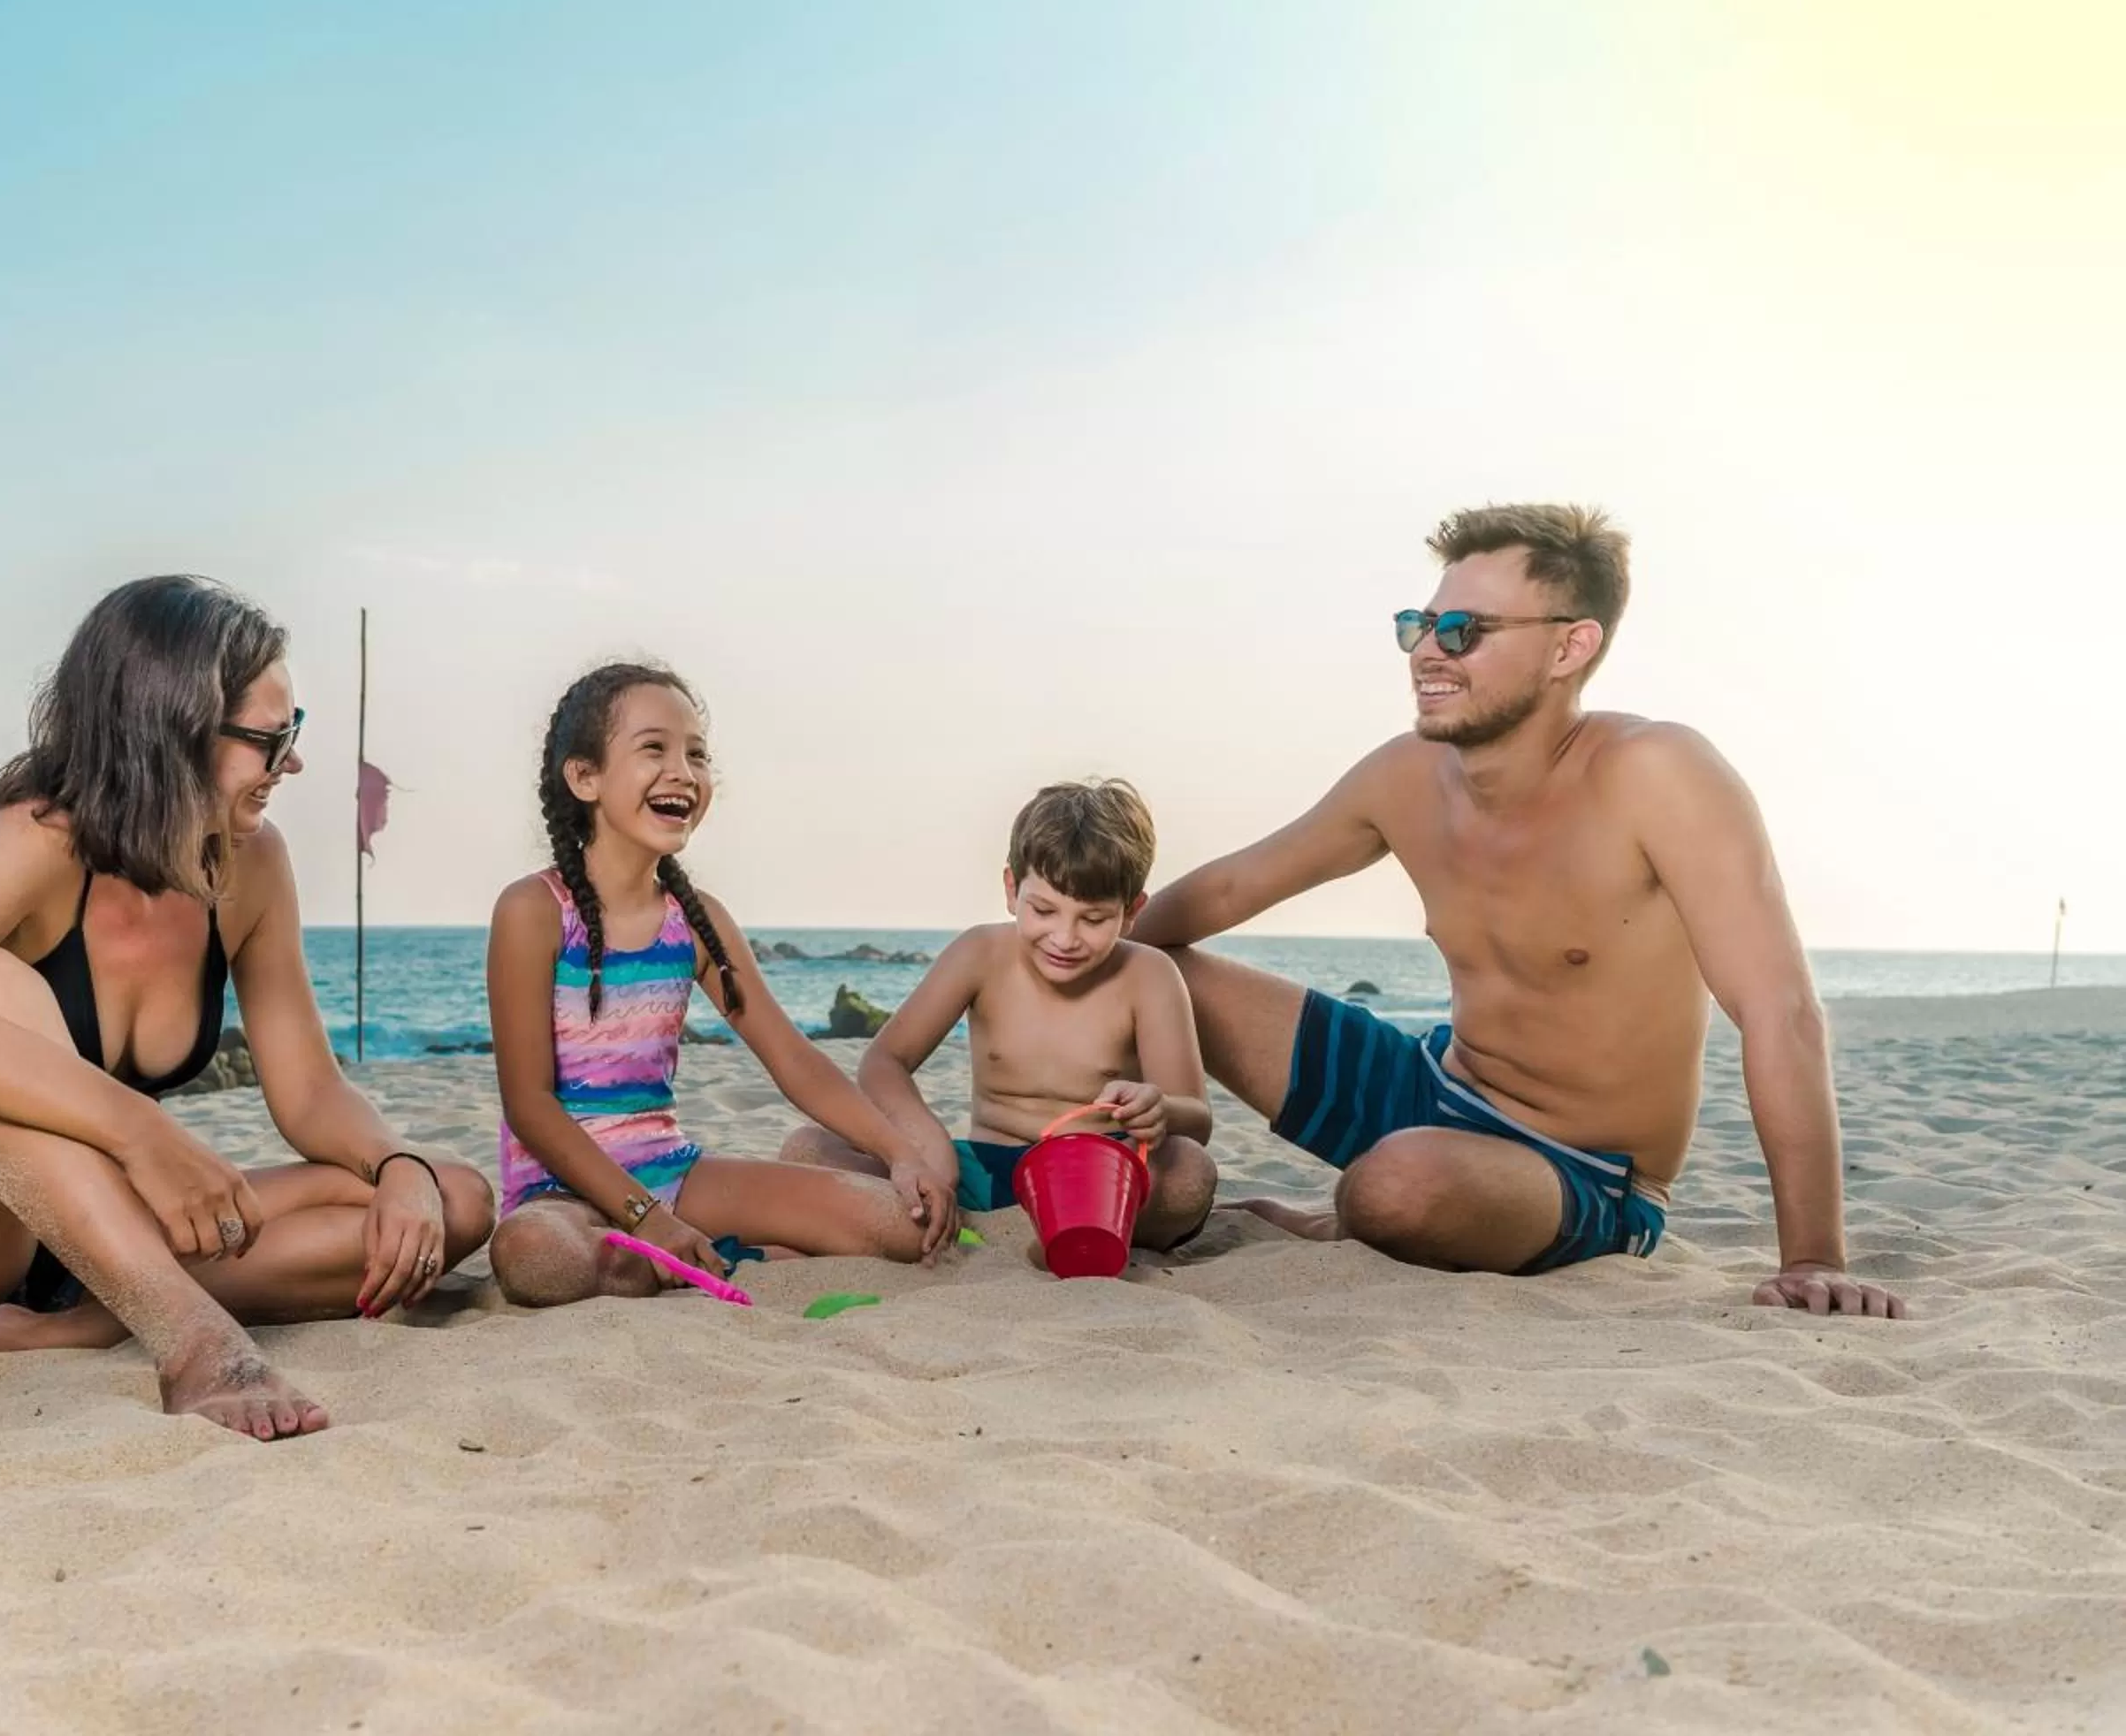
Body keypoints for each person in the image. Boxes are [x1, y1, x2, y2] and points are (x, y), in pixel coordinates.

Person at [1132, 504, 1901, 1317]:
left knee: (1394, 1189)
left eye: (1464, 631)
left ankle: (1347, 1220)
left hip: (1581, 1169)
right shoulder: (1405, 775)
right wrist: (1052, 960)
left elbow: (1781, 1011)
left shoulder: (1657, 774)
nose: (1428, 651)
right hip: (1433, 1085)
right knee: (1158, 969)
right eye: (1419, 626)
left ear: (1570, 646)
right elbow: (1224, 892)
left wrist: (1813, 1256)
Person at [0, 575, 498, 1440]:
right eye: (272, 740)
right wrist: (142, 1131)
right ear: (174, 732)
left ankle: (73, 1325)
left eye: (294, 733)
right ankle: (193, 1342)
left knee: (448, 1198)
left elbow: (310, 1094)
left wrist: (396, 1166)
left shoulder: (251, 865)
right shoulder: (33, 838)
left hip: (78, 1245)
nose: (294, 764)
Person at [483, 662, 956, 1305]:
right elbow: (529, 1106)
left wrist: (898, 1152)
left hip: (674, 1173)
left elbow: (791, 1058)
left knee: (902, 1227)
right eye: (654, 748)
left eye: (697, 755)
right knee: (535, 1257)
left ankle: (668, 1257)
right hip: (560, 1193)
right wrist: (644, 1215)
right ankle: (677, 1252)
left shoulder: (697, 922)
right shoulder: (533, 910)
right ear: (584, 776)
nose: (684, 771)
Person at [781, 780, 1218, 1256]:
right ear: (1012, 890)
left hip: (1100, 1182)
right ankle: (998, 1228)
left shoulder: (1149, 975)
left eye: (1093, 919)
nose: (1065, 937)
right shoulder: (980, 953)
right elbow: (884, 1061)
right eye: (1044, 910)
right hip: (985, 1174)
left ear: (1132, 911)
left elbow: (1195, 1121)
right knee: (807, 1148)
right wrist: (925, 1143)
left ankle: (1080, 1234)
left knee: (1191, 1174)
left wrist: (1160, 1109)